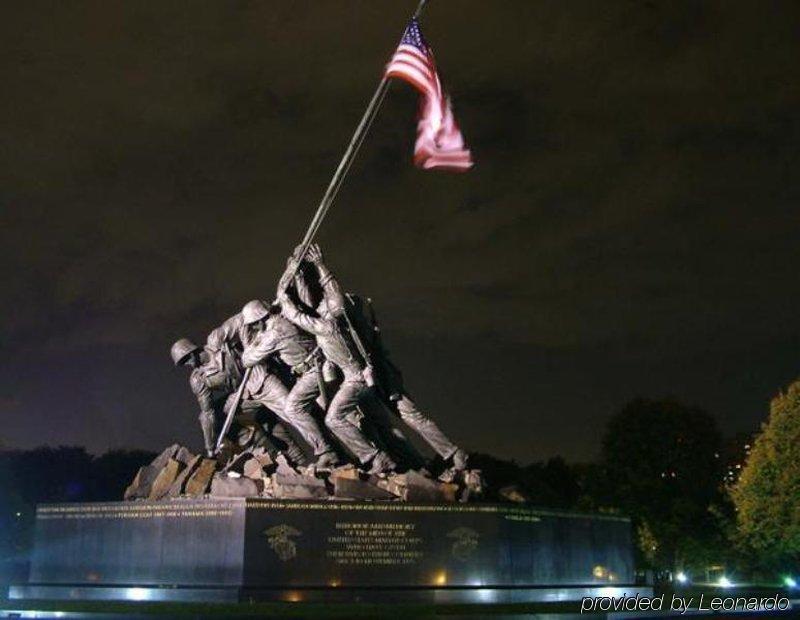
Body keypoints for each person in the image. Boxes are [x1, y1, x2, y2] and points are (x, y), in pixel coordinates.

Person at [276, 244, 396, 474]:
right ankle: (379, 456)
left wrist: (286, 280)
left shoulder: (324, 327)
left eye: (322, 304)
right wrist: (317, 267)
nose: (318, 304)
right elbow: (332, 294)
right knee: (371, 423)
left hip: (355, 380)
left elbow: (293, 312)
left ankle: (377, 458)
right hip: (357, 374)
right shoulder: (339, 319)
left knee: (334, 419)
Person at [207, 301, 339, 469]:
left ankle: (330, 451)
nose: (253, 328)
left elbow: (247, 357)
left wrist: (242, 341)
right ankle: (304, 457)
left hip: (287, 376)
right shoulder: (279, 321)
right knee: (279, 415)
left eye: (254, 325)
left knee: (296, 412)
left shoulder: (271, 332)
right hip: (257, 387)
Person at [347, 295, 469, 470]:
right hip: (371, 381)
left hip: (384, 379)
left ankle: (454, 453)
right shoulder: (354, 323)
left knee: (413, 416)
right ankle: (414, 462)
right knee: (384, 426)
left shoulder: (357, 323)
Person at [170, 337, 305, 463]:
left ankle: (305, 455)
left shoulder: (220, 345)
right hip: (244, 393)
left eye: (186, 360)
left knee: (289, 415)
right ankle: (252, 440)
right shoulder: (198, 378)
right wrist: (210, 447)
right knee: (212, 418)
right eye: (183, 363)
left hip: (263, 379)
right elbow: (207, 412)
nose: (187, 364)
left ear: (192, 352)